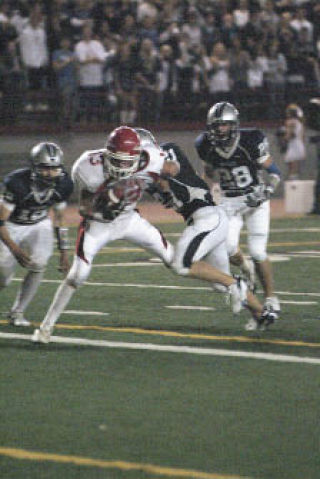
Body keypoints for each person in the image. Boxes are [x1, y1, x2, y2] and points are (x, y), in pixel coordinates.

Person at [31, 126, 175, 344]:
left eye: (128, 161)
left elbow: (171, 169)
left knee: (175, 260)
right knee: (77, 275)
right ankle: (45, 328)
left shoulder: (153, 158)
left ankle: (229, 287)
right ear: (107, 154)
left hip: (129, 221)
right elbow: (83, 208)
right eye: (117, 160)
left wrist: (167, 189)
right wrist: (104, 205)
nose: (123, 166)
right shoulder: (88, 166)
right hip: (99, 225)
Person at [140, 129, 277, 331]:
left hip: (208, 217)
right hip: (204, 220)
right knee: (218, 282)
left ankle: (236, 284)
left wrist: (151, 173)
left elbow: (171, 169)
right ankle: (262, 313)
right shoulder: (141, 174)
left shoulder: (166, 152)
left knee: (182, 264)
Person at [195, 102, 281, 325]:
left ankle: (271, 297)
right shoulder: (205, 144)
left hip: (254, 199)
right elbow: (209, 172)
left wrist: (267, 190)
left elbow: (274, 172)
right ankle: (246, 268)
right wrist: (204, 193)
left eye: (224, 125)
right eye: (216, 125)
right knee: (227, 248)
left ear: (234, 125)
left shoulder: (250, 140)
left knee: (258, 250)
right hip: (229, 201)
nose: (220, 129)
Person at [0, 142, 73, 326]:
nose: (50, 173)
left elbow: (59, 218)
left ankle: (18, 312)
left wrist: (64, 253)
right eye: (45, 168)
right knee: (3, 276)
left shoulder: (64, 184)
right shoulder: (17, 183)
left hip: (39, 224)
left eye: (54, 168)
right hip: (11, 225)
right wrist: (15, 250)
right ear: (34, 167)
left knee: (39, 263)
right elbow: (1, 221)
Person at [283, 103, 306, 180]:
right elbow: (302, 136)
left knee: (292, 167)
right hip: (299, 145)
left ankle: (293, 187)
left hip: (294, 145)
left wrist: (284, 138)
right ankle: (295, 185)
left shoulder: (290, 122)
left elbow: (290, 135)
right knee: (295, 168)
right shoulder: (300, 122)